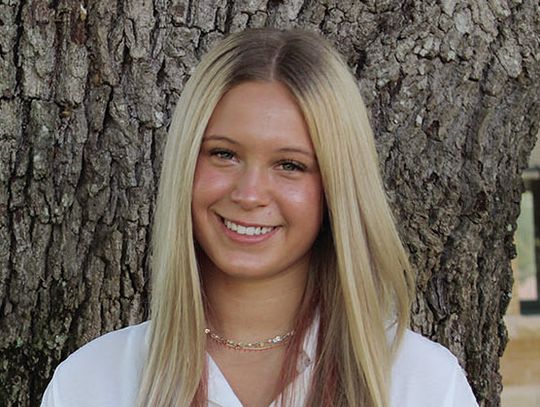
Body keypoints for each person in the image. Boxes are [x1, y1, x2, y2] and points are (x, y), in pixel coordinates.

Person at [41, 28, 478, 407]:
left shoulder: (421, 383)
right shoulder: (90, 383)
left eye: (290, 165)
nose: (249, 195)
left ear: (335, 191)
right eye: (224, 154)